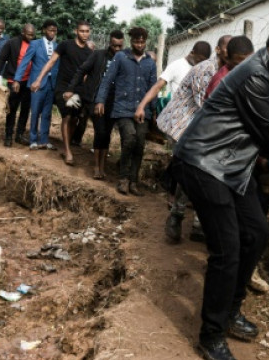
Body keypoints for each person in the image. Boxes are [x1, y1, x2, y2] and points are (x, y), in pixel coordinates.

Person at [171, 23, 269, 360]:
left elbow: (268, 125)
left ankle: (231, 311)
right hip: (203, 163)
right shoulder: (255, 75)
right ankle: (211, 334)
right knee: (227, 249)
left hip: (229, 167)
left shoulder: (265, 73)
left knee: (256, 233)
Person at [136, 35, 231, 239]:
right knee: (193, 171)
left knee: (206, 172)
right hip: (183, 124)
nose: (230, 52)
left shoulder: (231, 71)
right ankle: (178, 216)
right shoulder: (205, 70)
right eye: (227, 48)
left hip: (206, 129)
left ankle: (196, 222)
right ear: (218, 50)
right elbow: (205, 106)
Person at [94, 27, 157, 196]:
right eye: (136, 41)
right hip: (123, 108)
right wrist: (100, 100)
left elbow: (153, 88)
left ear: (146, 42)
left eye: (142, 42)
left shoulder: (150, 62)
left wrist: (154, 110)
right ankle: (123, 179)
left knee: (139, 143)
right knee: (129, 137)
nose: (139, 44)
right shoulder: (121, 57)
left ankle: (134, 181)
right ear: (131, 41)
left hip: (143, 111)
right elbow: (107, 80)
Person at [62, 29, 124, 178]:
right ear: (110, 43)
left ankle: (103, 167)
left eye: (119, 46)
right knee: (100, 131)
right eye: (114, 46)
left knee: (107, 134)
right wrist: (70, 88)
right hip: (95, 100)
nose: (117, 49)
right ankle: (97, 167)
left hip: (113, 102)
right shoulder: (98, 55)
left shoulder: (123, 58)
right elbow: (81, 70)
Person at [31, 21, 93, 165]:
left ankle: (67, 146)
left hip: (77, 89)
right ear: (76, 31)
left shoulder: (89, 53)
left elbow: (86, 75)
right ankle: (67, 151)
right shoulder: (65, 45)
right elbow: (51, 62)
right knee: (67, 115)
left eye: (87, 31)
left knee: (74, 119)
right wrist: (39, 79)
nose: (85, 34)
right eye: (82, 31)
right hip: (63, 87)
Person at [13, 20, 58, 150]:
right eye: (50, 30)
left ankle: (44, 139)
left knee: (47, 113)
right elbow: (24, 62)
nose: (52, 33)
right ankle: (33, 139)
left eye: (54, 31)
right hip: (37, 83)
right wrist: (17, 79)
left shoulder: (56, 46)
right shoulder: (35, 44)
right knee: (35, 111)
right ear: (44, 30)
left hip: (51, 84)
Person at [0, 24, 35, 147]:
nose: (31, 37)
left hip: (28, 81)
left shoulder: (35, 45)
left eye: (33, 35)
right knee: (12, 108)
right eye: (28, 34)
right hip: (13, 80)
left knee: (25, 109)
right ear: (23, 32)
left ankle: (19, 135)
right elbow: (1, 59)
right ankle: (8, 135)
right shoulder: (12, 43)